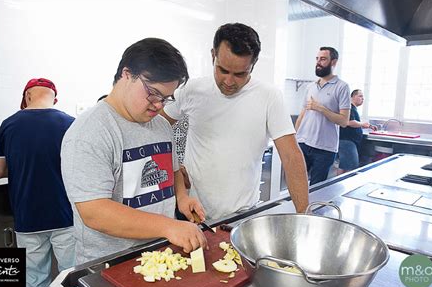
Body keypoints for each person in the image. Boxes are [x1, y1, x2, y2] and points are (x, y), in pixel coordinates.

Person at [60, 38, 207, 265]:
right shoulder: (89, 132)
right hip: (111, 265)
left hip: (161, 256)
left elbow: (173, 171)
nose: (159, 105)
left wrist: (182, 197)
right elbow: (94, 211)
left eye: (166, 98)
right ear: (127, 74)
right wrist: (169, 226)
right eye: (153, 93)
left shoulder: (160, 125)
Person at [161, 23, 309, 220]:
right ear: (213, 55)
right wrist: (174, 166)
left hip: (240, 216)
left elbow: (291, 157)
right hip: (192, 212)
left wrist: (305, 217)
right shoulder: (192, 89)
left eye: (240, 74)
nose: (229, 81)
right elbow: (157, 127)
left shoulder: (269, 97)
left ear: (253, 65)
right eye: (222, 70)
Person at [0, 78, 75, 287]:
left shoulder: (8, 124)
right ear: (55, 98)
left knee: (33, 280)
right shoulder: (71, 123)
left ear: (27, 96)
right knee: (72, 276)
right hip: (66, 216)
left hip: (27, 217)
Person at [295, 46, 351, 185]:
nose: (318, 62)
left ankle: (312, 208)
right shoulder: (310, 87)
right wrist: (294, 138)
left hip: (325, 149)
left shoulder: (342, 87)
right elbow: (303, 114)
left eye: (323, 59)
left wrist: (321, 108)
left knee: (315, 189)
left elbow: (344, 121)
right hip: (303, 143)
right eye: (317, 59)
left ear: (333, 62)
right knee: (297, 184)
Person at [337, 89, 377, 174]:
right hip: (347, 141)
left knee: (344, 165)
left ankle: (337, 185)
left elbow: (353, 124)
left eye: (363, 97)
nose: (363, 99)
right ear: (352, 97)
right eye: (360, 96)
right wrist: (363, 124)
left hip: (347, 141)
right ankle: (343, 185)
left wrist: (365, 126)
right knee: (351, 165)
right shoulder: (350, 108)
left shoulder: (353, 109)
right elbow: (348, 122)